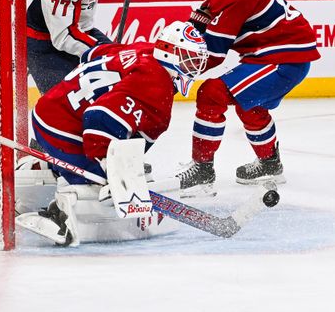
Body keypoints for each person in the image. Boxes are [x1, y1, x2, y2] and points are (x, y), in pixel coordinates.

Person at [20, 21, 209, 246]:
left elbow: (93, 54)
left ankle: (33, 174)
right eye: (189, 59)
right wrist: (111, 170)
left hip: (52, 109)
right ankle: (58, 215)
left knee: (104, 164)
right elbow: (98, 118)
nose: (194, 67)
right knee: (97, 183)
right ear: (169, 53)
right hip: (61, 128)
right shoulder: (156, 84)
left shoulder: (145, 49)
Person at [174, 0, 320, 195]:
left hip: (283, 57)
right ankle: (269, 163)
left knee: (211, 94)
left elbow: (216, 53)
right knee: (248, 104)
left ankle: (202, 170)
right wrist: (194, 24)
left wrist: (179, 70)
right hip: (280, 52)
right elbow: (211, 8)